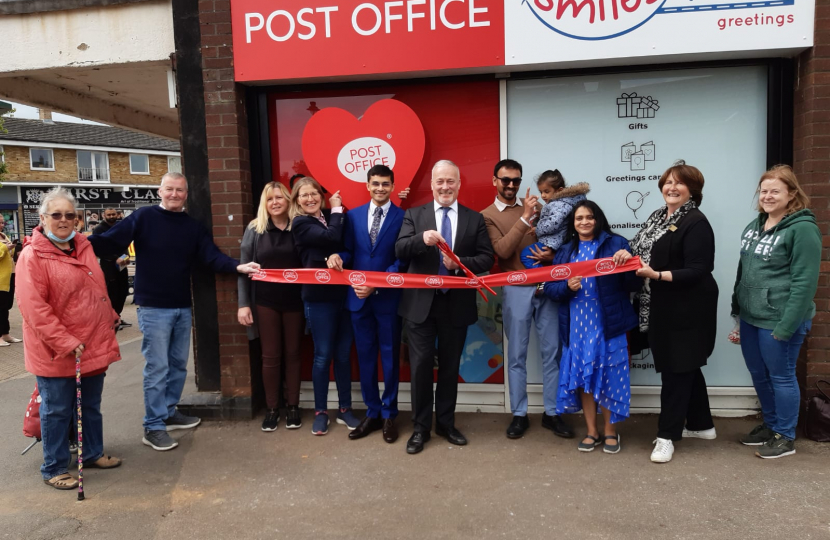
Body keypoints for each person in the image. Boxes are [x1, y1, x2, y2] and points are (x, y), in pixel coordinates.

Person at [88, 172, 261, 452]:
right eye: (169, 189)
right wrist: (72, 240)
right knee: (157, 368)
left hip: (181, 305)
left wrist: (238, 266)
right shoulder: (143, 217)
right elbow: (109, 241)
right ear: (160, 191)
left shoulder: (192, 226)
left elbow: (211, 256)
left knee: (178, 365)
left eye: (180, 190)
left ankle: (168, 412)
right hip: (153, 307)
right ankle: (153, 426)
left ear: (186, 194)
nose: (174, 194)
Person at [17, 188, 122, 490]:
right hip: (56, 350)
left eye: (69, 215)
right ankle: (53, 467)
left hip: (91, 344)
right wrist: (64, 341)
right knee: (57, 410)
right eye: (56, 214)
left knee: (89, 405)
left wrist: (110, 314)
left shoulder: (83, 246)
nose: (64, 220)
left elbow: (93, 288)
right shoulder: (32, 256)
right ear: (43, 218)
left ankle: (92, 453)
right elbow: (33, 308)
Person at [613, 161, 719, 464]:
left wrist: (657, 275)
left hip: (687, 306)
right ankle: (701, 424)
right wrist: (627, 252)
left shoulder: (696, 222)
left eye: (679, 183)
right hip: (659, 303)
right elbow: (639, 248)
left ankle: (667, 436)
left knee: (677, 369)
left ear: (692, 190)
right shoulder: (659, 215)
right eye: (667, 182)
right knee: (685, 364)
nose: (672, 187)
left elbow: (699, 269)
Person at [395, 160, 495, 454]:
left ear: (459, 184)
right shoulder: (414, 215)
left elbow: (487, 258)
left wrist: (460, 264)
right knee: (421, 368)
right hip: (420, 306)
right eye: (440, 181)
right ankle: (420, 428)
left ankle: (446, 424)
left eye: (451, 181)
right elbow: (400, 249)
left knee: (450, 368)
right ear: (432, 185)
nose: (445, 186)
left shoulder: (475, 219)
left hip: (456, 304)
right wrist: (421, 239)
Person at [730, 164, 821, 459]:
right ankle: (771, 426)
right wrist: (737, 310)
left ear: (791, 194)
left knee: (781, 376)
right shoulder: (755, 226)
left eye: (775, 191)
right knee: (759, 374)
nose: (767, 196)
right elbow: (743, 270)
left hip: (780, 319)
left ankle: (785, 435)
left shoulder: (803, 229)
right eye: (764, 191)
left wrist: (787, 325)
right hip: (751, 317)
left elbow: (805, 283)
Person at [481, 159, 573, 440]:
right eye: (505, 180)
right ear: (494, 181)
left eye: (516, 180)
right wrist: (524, 218)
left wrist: (553, 256)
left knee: (552, 353)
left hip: (548, 287)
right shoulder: (487, 216)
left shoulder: (538, 206)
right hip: (516, 288)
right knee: (516, 355)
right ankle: (519, 414)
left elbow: (561, 239)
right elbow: (502, 250)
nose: (511, 185)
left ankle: (552, 412)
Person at [545, 200, 639, 454]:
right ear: (573, 223)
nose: (584, 222)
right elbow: (551, 289)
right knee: (584, 379)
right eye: (579, 218)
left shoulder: (617, 244)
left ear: (598, 219)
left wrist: (628, 263)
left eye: (589, 217)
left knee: (608, 377)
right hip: (577, 325)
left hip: (607, 323)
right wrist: (567, 287)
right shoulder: (565, 251)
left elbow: (633, 284)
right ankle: (591, 431)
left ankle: (610, 431)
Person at [327, 164, 405, 443]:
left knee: (390, 358)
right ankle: (372, 413)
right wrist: (337, 256)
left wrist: (379, 282)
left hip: (388, 300)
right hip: (358, 298)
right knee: (366, 358)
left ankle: (389, 414)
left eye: (385, 184)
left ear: (392, 186)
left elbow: (403, 259)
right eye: (375, 183)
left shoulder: (403, 217)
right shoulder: (354, 216)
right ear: (367, 186)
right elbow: (349, 250)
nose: (380, 188)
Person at [291, 177, 360, 435]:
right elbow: (331, 236)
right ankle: (320, 412)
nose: (310, 199)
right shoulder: (300, 223)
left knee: (343, 355)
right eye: (304, 195)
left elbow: (348, 249)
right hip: (319, 298)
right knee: (322, 355)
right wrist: (338, 208)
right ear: (297, 200)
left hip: (344, 295)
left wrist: (339, 255)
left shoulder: (333, 216)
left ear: (321, 196)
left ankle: (345, 409)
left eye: (314, 194)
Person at [238, 182, 305, 432]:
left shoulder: (299, 227)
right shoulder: (255, 229)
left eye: (279, 197)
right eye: (269, 199)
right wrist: (243, 304)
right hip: (265, 301)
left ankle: (293, 406)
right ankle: (272, 409)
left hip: (295, 301)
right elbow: (244, 268)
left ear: (288, 200)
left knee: (294, 354)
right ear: (264, 204)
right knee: (270, 356)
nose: (275, 202)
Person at [520, 170, 590, 269]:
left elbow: (552, 224)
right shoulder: (563, 203)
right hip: (556, 242)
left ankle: (542, 276)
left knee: (525, 255)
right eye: (541, 192)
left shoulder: (559, 204)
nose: (543, 195)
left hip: (551, 242)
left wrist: (537, 229)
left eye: (546, 191)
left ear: (559, 191)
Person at [92, 208, 132, 330]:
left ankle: (117, 316)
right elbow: (97, 249)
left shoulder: (120, 227)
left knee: (123, 291)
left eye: (113, 214)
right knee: (112, 292)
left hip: (122, 264)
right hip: (108, 265)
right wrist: (115, 258)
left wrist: (126, 256)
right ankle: (111, 319)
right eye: (108, 214)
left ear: (117, 214)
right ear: (104, 215)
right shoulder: (99, 229)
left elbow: (125, 244)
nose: (111, 216)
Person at [0, 214, 21, 346]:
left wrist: (12, 249)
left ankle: (5, 334)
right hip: (0, 278)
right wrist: (5, 248)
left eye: (2, 223)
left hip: (9, 275)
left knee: (6, 306)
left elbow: (8, 254)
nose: (1, 225)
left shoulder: (3, 236)